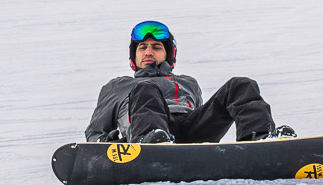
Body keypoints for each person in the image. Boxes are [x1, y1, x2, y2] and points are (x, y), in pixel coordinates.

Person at [86, 20, 295, 144]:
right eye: (142, 47)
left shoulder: (189, 83)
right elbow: (95, 133)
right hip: (149, 134)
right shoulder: (117, 86)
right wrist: (115, 145)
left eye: (157, 47)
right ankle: (152, 143)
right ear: (134, 56)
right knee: (146, 88)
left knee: (240, 84)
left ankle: (259, 139)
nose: (148, 52)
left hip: (191, 131)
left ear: (168, 55)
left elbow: (201, 114)